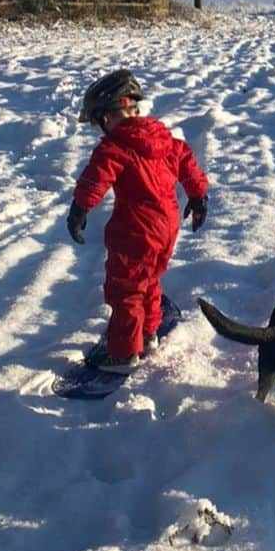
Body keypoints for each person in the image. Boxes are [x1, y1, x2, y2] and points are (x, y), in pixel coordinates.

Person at [67, 68, 209, 372]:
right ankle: (147, 334)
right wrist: (198, 196)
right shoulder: (161, 136)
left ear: (107, 117)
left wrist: (79, 208)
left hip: (136, 228)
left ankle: (123, 353)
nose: (98, 131)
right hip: (167, 226)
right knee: (148, 279)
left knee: (125, 288)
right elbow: (185, 158)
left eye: (95, 124)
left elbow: (95, 179)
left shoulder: (115, 147)